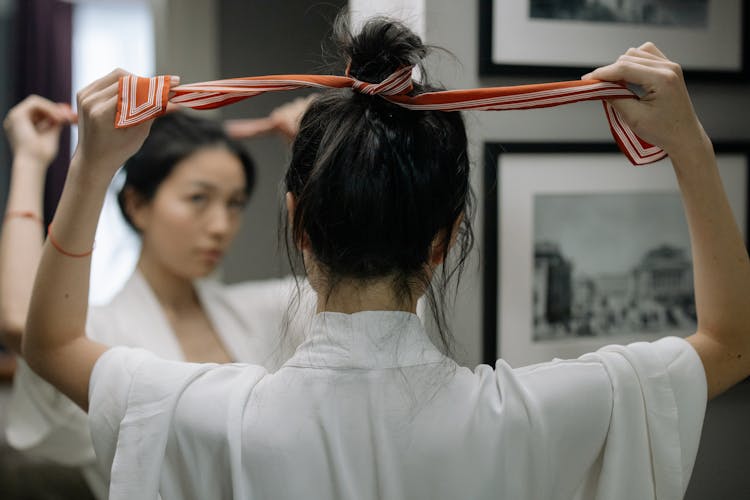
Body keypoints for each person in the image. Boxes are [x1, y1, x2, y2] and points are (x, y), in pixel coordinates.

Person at [20, 17, 750, 500]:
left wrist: (92, 167)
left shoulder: (210, 414)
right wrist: (687, 142)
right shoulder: (529, 416)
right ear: (445, 240)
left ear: (296, 226)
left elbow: (51, 346)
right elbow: (731, 342)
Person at [0, 96, 312, 498]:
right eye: (198, 198)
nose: (221, 225)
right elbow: (20, 322)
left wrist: (315, 156)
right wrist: (30, 160)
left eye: (234, 203)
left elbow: (363, 283)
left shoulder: (266, 312)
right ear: (137, 204)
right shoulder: (93, 331)